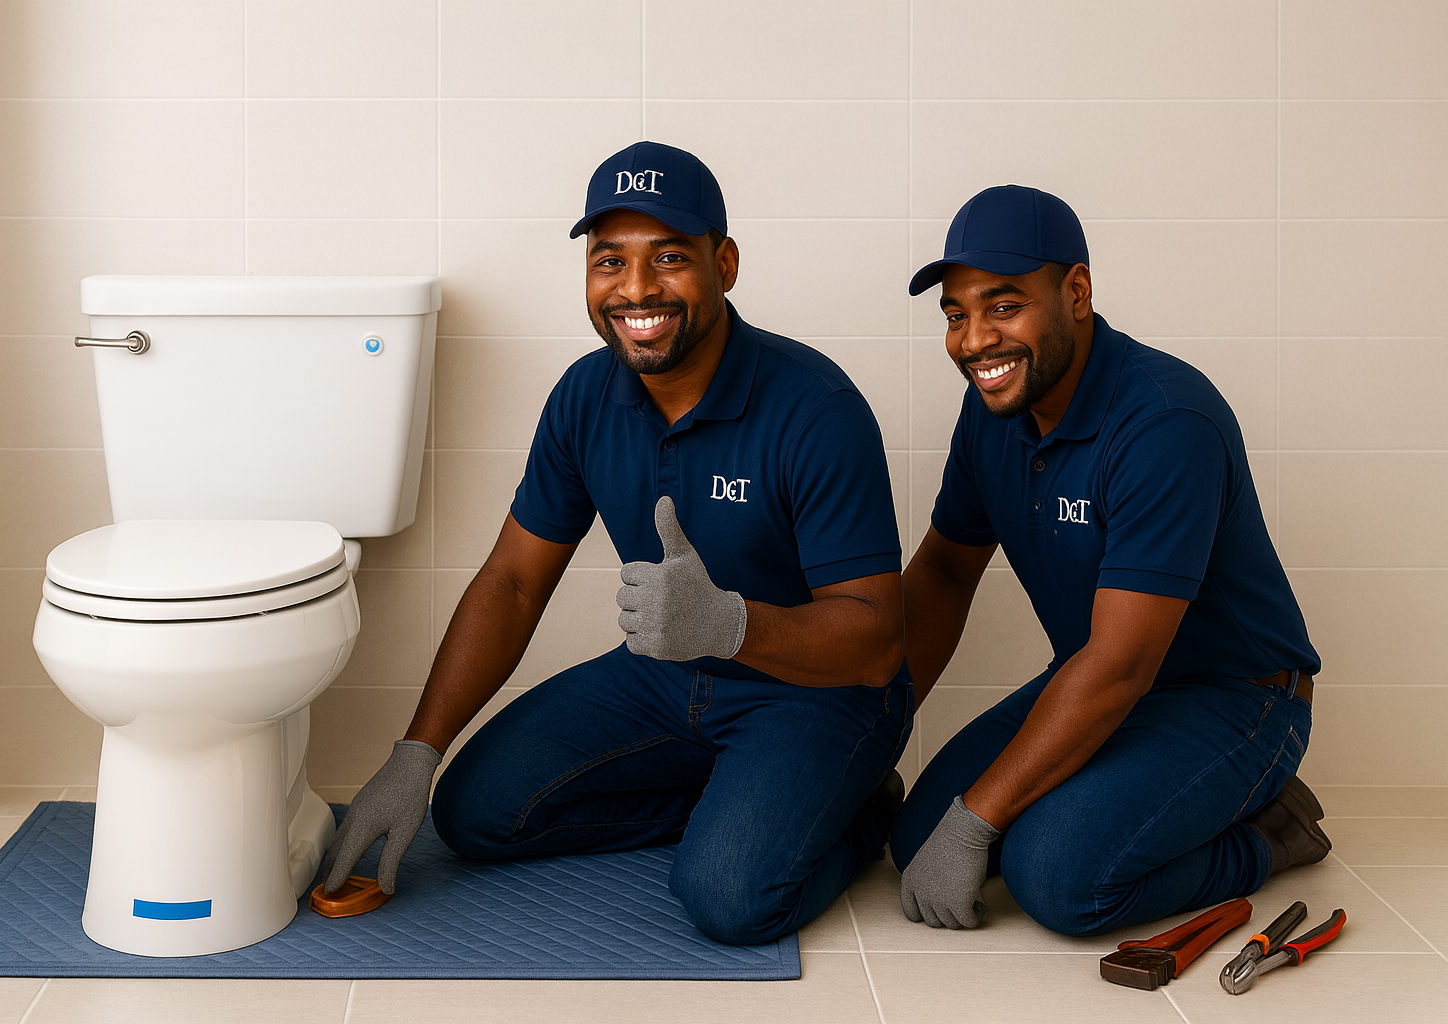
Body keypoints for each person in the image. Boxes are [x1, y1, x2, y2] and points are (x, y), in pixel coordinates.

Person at [321, 142, 913, 945]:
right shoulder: (584, 397)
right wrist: (418, 749)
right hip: (667, 680)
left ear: (725, 263)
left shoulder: (816, 408)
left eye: (669, 257)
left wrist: (731, 625)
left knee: (729, 900)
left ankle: (860, 809)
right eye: (610, 261)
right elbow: (513, 582)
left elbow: (877, 640)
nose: (636, 289)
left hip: (814, 690)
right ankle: (734, 799)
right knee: (475, 814)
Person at [891, 185, 1328, 937]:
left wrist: (976, 826)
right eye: (956, 315)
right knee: (913, 838)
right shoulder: (993, 410)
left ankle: (1272, 830)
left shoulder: (1166, 422)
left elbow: (1124, 664)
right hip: (1099, 676)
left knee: (1056, 877)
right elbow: (941, 575)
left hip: (1235, 699)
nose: (974, 341)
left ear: (1077, 292)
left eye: (1003, 306)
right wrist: (871, 730)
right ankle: (1120, 797)